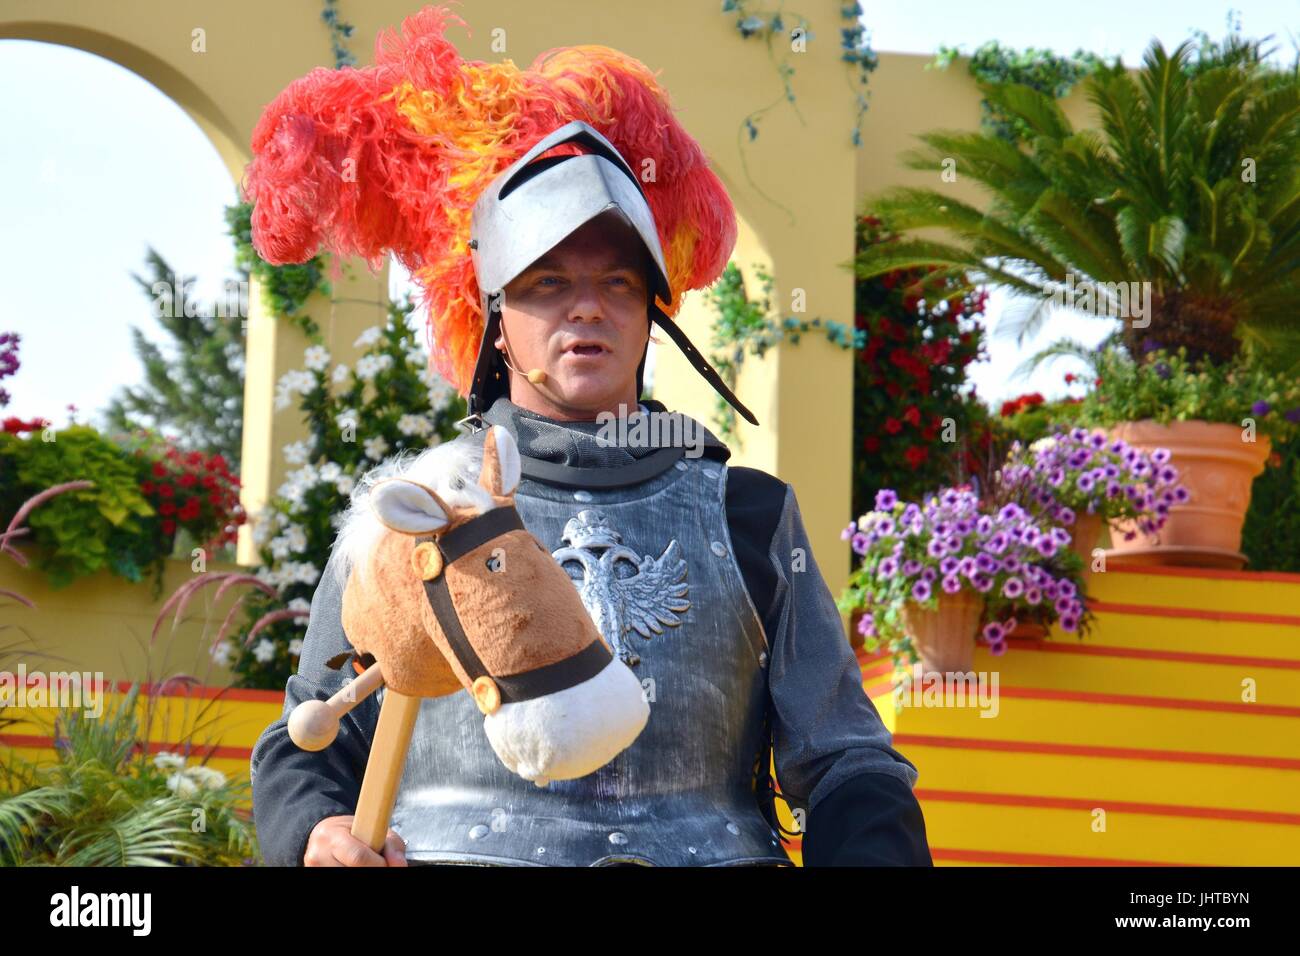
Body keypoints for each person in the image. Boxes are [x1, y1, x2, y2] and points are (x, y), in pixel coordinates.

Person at [243, 6, 931, 867]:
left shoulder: (751, 515)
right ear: (495, 321)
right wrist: (318, 831)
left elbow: (844, 759)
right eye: (548, 282)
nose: (585, 307)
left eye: (616, 282)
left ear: (652, 318)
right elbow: (310, 735)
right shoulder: (413, 508)